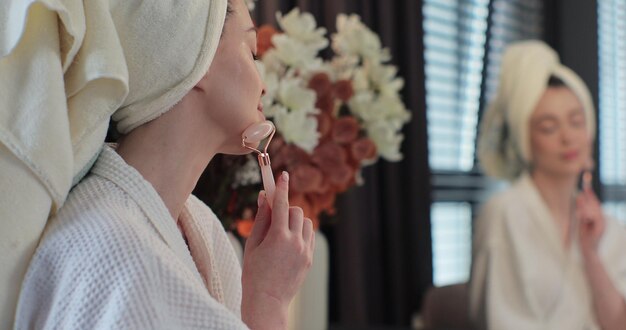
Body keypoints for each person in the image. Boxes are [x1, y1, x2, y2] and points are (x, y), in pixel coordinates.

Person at [8, 0, 314, 328]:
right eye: (252, 53)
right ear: (198, 57)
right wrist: (268, 301)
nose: (263, 84)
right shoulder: (117, 259)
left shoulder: (200, 226)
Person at [469, 40, 626, 330]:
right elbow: (497, 320)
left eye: (576, 122)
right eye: (549, 127)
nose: (567, 138)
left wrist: (590, 254)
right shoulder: (504, 214)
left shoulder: (610, 228)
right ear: (525, 138)